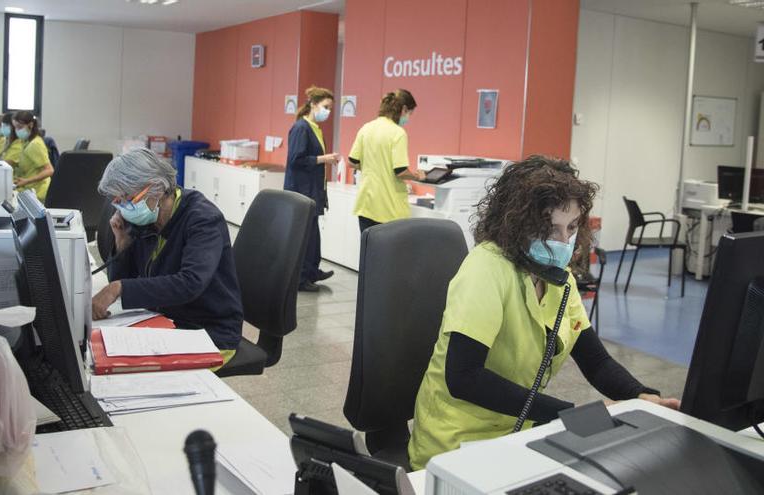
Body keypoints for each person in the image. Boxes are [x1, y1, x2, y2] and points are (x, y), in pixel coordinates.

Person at [407, 156, 680, 471]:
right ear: (517, 223)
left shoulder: (556, 278)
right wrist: (574, 414)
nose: (564, 242)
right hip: (455, 443)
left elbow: (597, 361)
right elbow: (464, 377)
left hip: (517, 434)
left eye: (572, 227)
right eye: (551, 229)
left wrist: (641, 396)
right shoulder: (486, 268)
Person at [92, 148, 243, 365]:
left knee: (134, 373)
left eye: (128, 198)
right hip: (164, 319)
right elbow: (122, 279)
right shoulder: (145, 220)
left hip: (207, 331)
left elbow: (190, 283)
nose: (124, 207)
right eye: (119, 201)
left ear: (157, 188)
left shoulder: (202, 219)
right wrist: (122, 243)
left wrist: (119, 288)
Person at [285, 86, 340, 292]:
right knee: (303, 236)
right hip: (302, 190)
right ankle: (300, 278)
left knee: (313, 234)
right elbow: (295, 160)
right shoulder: (301, 128)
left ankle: (312, 270)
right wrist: (323, 159)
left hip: (314, 189)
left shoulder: (315, 128)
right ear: (313, 104)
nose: (327, 111)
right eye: (325, 107)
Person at [348, 89, 425, 233]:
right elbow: (400, 172)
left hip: (366, 204)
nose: (408, 118)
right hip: (389, 209)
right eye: (410, 113)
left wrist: (373, 166)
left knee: (368, 251)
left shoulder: (366, 128)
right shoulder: (398, 133)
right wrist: (417, 176)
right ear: (403, 109)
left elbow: (352, 162)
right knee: (388, 254)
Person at [11, 111, 53, 202]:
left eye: (20, 127)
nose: (17, 130)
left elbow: (49, 170)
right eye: (15, 127)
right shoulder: (25, 142)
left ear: (30, 125)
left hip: (37, 192)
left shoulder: (35, 144)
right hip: (28, 188)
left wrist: (27, 181)